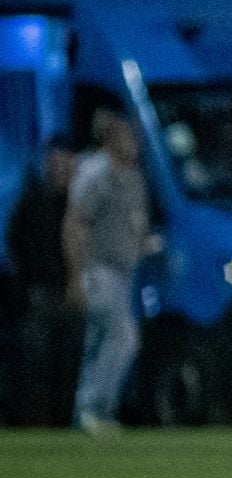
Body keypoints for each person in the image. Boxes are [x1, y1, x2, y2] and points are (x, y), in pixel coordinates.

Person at [64, 110, 150, 435]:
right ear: (112, 138)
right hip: (100, 270)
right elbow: (75, 222)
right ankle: (94, 407)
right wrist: (76, 276)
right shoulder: (96, 172)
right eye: (128, 136)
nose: (134, 142)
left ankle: (85, 414)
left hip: (124, 273)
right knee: (123, 337)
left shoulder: (130, 174)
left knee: (99, 343)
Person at [6, 135, 82, 425]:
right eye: (57, 160)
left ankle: (62, 421)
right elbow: (15, 240)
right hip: (40, 292)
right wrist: (30, 275)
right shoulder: (35, 198)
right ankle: (33, 422)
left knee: (67, 363)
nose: (61, 166)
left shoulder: (77, 201)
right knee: (35, 362)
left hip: (70, 293)